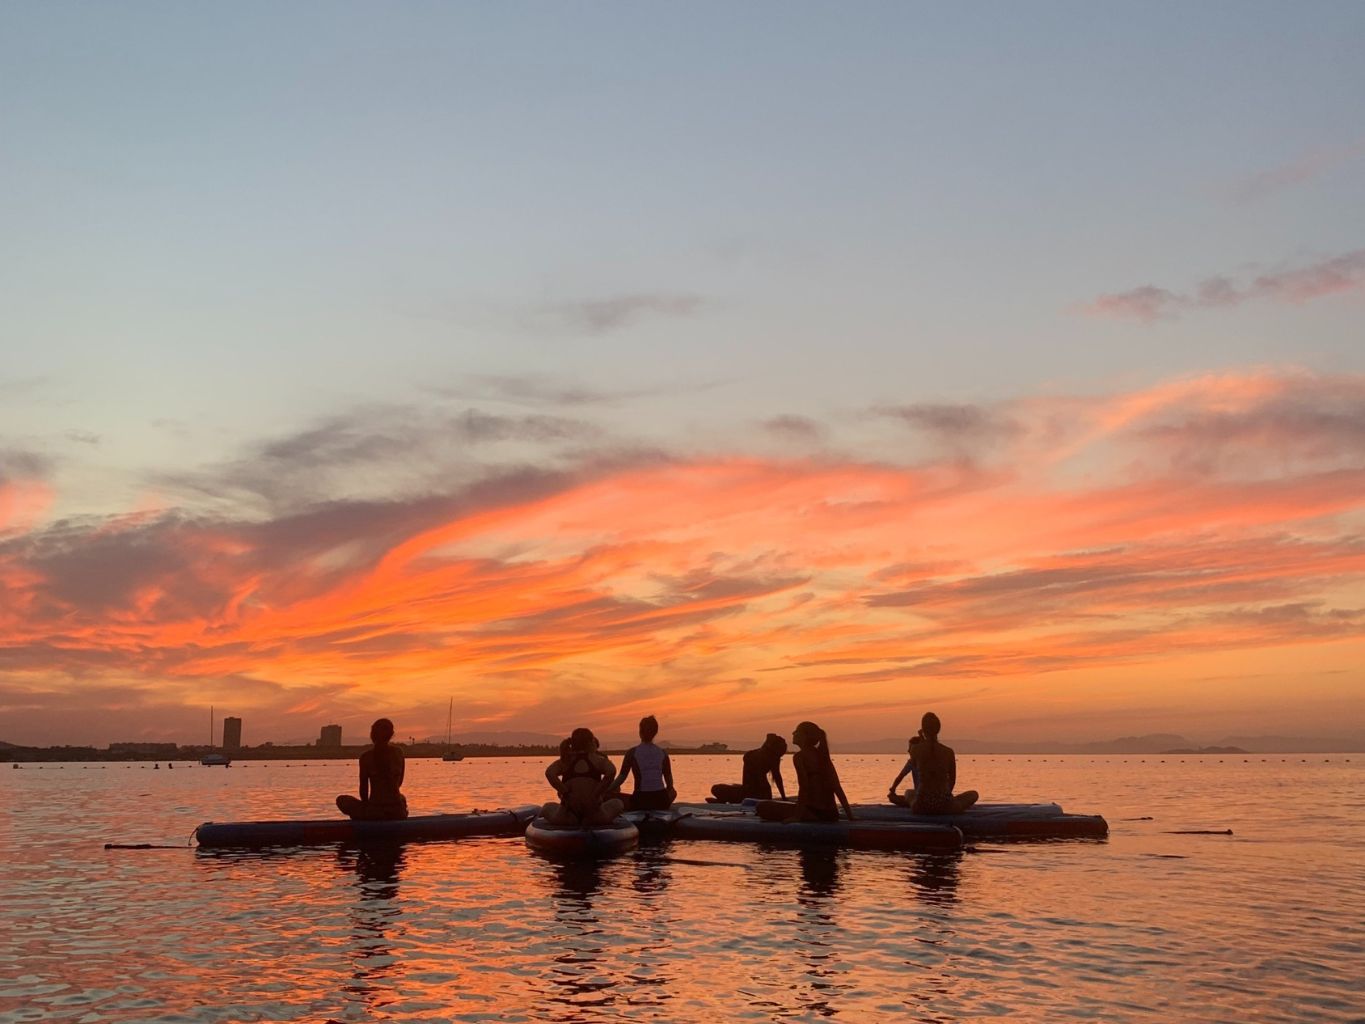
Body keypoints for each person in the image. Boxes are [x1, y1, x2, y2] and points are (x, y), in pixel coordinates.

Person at [756, 721, 854, 822]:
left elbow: (804, 788)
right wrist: (850, 815)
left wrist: (797, 817)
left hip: (813, 813)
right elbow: (837, 788)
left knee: (762, 806)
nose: (793, 733)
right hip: (831, 814)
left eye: (797, 731)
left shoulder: (799, 757)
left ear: (805, 736)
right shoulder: (823, 756)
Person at [542, 727, 624, 826]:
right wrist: (596, 794)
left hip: (567, 814)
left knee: (547, 807)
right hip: (594, 814)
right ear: (590, 743)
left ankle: (574, 820)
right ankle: (587, 820)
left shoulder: (565, 761)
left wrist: (566, 793)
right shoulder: (598, 760)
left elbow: (549, 773)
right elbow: (611, 771)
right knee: (618, 803)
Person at [337, 718, 408, 820]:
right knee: (402, 797)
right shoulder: (399, 753)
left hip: (375, 812)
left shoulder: (366, 757)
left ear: (372, 735)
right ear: (391, 734)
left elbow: (363, 791)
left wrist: (367, 808)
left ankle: (365, 820)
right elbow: (399, 783)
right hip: (397, 811)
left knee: (341, 800)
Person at [910, 711, 979, 815]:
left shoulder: (915, 750)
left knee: (908, 793)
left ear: (923, 729)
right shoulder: (948, 752)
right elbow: (952, 780)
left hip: (921, 806)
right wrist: (944, 796)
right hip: (946, 805)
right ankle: (946, 800)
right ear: (938, 729)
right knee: (974, 794)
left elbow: (919, 771)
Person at [611, 715, 676, 811]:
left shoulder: (632, 753)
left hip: (641, 800)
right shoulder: (663, 753)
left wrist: (607, 790)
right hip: (661, 800)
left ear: (640, 732)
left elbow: (621, 778)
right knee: (673, 792)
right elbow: (669, 784)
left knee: (615, 796)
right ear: (655, 733)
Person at [710, 733, 788, 803]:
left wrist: (783, 798)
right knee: (718, 788)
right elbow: (776, 778)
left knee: (716, 789)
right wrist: (783, 798)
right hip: (751, 792)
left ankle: (723, 800)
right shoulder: (757, 756)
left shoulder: (767, 757)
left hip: (750, 794)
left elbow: (777, 778)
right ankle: (724, 800)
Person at [887, 732, 924, 806]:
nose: (908, 750)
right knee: (908, 793)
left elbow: (900, 776)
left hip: (922, 795)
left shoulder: (913, 762)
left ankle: (913, 803)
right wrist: (893, 788)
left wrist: (893, 789)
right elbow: (900, 777)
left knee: (908, 793)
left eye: (910, 748)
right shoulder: (912, 762)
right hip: (925, 794)